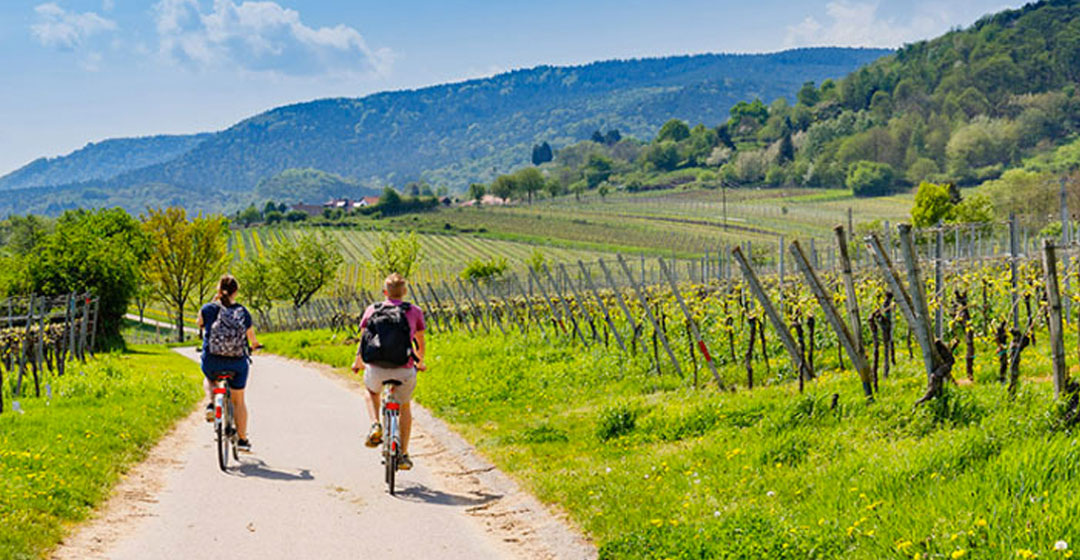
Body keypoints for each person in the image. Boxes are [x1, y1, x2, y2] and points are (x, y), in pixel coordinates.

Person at [351, 273, 426, 471]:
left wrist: (357, 362)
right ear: (405, 292)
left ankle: (376, 424)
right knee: (404, 407)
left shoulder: (372, 310)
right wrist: (420, 363)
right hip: (404, 369)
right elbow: (420, 342)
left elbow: (364, 341)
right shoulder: (414, 311)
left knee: (371, 391)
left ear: (385, 292)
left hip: (376, 369)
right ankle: (403, 454)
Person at [198, 274, 260, 453]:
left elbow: (199, 323)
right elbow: (252, 340)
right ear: (236, 292)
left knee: (210, 378)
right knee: (238, 400)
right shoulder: (242, 312)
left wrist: (212, 302)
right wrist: (255, 346)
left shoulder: (208, 309)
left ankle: (211, 404)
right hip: (237, 364)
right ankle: (242, 439)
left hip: (213, 360)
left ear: (218, 290)